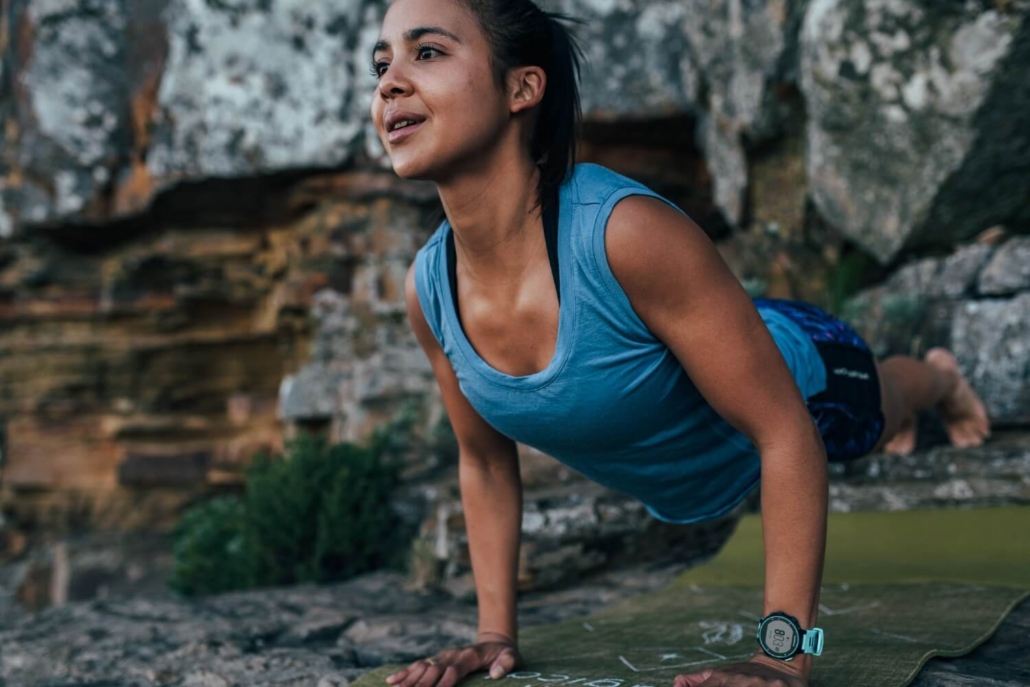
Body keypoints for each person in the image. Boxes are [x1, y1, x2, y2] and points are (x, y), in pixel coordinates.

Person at [368, 1, 992, 686]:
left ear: (522, 87)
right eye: (382, 62)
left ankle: (939, 378)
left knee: (883, 408)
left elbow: (786, 432)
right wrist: (493, 635)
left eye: (426, 52)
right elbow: (485, 464)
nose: (389, 81)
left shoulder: (625, 234)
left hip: (804, 376)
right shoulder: (429, 290)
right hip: (707, 362)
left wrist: (782, 657)